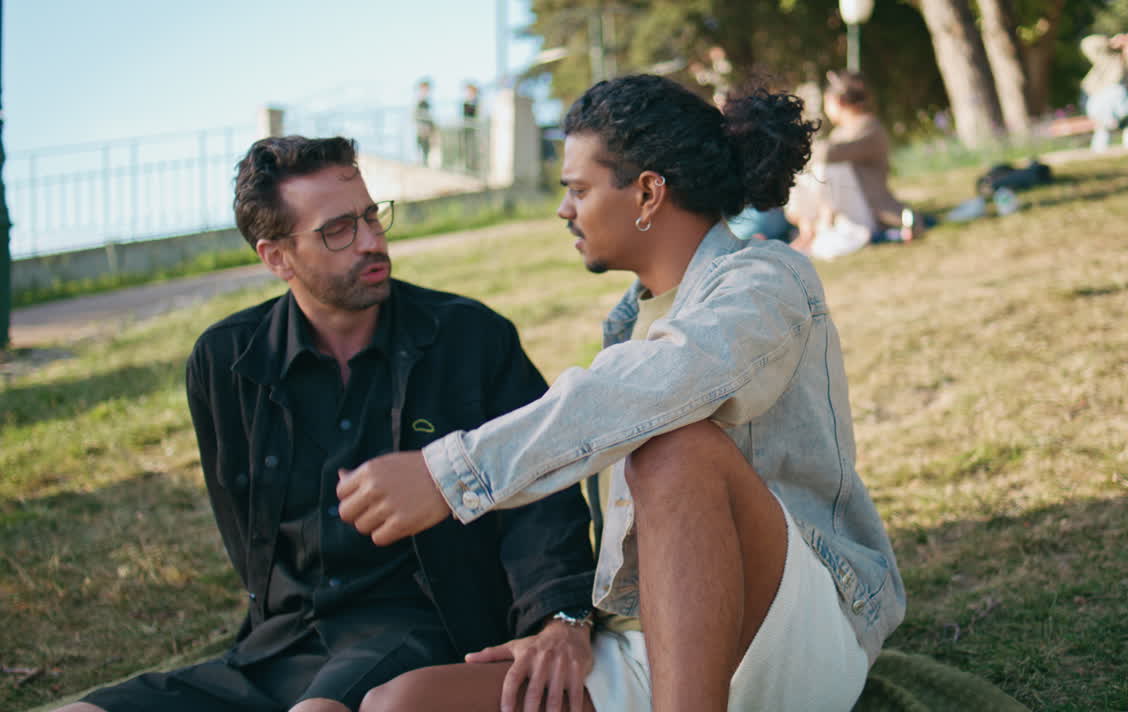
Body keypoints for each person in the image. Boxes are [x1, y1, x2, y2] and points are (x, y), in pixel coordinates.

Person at [343, 75, 906, 712]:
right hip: (650, 644)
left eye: (578, 190)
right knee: (398, 703)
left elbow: (668, 381)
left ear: (647, 192)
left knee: (672, 450)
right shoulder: (624, 325)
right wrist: (568, 624)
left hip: (800, 630)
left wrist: (450, 474)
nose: (564, 210)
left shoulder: (765, 279)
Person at [56, 136, 597, 712]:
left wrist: (558, 614)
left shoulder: (471, 339)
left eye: (371, 216)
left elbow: (541, 494)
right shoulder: (225, 363)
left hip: (421, 633)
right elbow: (244, 534)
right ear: (277, 257)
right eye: (338, 230)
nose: (371, 240)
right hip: (278, 644)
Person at [787, 70, 918, 258]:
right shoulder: (842, 132)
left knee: (827, 168)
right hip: (849, 209)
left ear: (837, 101)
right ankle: (807, 230)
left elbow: (826, 154)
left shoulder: (869, 128)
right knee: (805, 171)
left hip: (871, 211)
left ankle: (819, 230)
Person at [413, 79, 435, 166]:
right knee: (419, 148)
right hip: (421, 128)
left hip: (426, 129)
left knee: (426, 149)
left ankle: (424, 164)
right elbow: (415, 115)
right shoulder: (419, 100)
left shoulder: (427, 101)